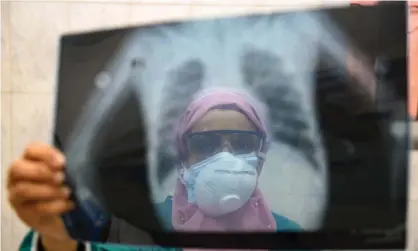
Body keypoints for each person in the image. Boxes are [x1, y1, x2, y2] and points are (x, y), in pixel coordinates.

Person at [11, 87, 303, 251]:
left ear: (261, 156)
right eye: (206, 143)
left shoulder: (293, 237)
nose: (226, 159)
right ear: (182, 157)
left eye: (242, 143)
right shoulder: (140, 229)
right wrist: (56, 239)